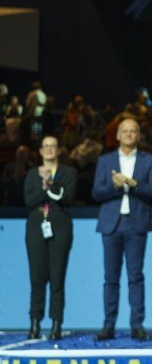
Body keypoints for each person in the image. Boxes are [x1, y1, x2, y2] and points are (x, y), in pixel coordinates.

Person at [92, 118, 152, 341]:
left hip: (136, 224)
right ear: (118, 135)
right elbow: (96, 192)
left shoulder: (148, 161)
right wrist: (116, 187)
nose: (130, 134)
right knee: (110, 278)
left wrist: (134, 184)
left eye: (134, 131)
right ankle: (108, 326)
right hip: (111, 225)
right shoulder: (105, 161)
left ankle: (137, 326)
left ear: (139, 136)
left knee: (135, 277)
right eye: (126, 131)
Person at [24, 136, 77, 340]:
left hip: (60, 226)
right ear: (40, 150)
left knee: (57, 278)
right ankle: (35, 323)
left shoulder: (68, 173)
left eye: (53, 146)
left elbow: (67, 198)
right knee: (36, 278)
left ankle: (56, 324)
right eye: (45, 146)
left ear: (58, 150)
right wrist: (43, 185)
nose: (49, 149)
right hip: (36, 226)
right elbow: (29, 200)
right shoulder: (31, 174)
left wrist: (51, 183)